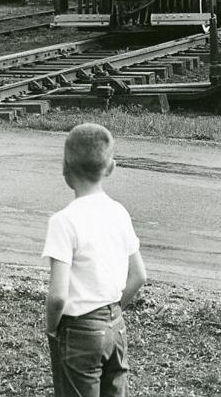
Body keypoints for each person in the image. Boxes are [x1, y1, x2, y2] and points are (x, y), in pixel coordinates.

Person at [42, 123, 147, 397]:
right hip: (115, 326)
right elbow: (139, 276)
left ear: (65, 168)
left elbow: (57, 296)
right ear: (111, 168)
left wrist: (52, 329)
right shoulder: (119, 212)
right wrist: (113, 311)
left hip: (79, 329)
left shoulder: (63, 221)